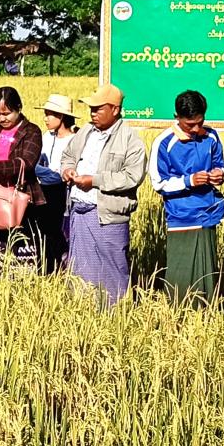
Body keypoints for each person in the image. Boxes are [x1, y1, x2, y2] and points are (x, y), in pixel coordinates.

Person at [60, 83, 146, 304]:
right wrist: (67, 170)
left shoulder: (130, 139)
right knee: (80, 268)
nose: (92, 113)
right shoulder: (86, 131)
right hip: (79, 211)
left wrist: (95, 180)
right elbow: (68, 156)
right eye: (91, 109)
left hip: (107, 215)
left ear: (115, 109)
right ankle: (83, 311)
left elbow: (132, 176)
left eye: (98, 109)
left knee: (111, 269)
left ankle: (115, 314)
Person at [149, 90, 224, 302]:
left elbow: (220, 164)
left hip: (209, 214)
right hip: (181, 217)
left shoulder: (211, 136)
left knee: (207, 273)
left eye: (200, 123)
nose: (195, 129)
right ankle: (179, 314)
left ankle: (207, 313)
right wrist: (189, 181)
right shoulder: (164, 142)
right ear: (177, 117)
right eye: (189, 124)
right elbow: (158, 182)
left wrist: (219, 174)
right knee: (181, 275)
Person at [0, 85, 44, 263]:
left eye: (7, 113)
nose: (2, 118)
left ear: (19, 108)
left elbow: (27, 162)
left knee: (21, 255)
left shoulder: (32, 131)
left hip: (20, 200)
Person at [31, 94, 76, 271]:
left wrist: (44, 171)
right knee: (44, 233)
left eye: (49, 114)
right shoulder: (46, 137)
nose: (46, 119)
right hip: (43, 190)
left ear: (61, 116)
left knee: (59, 231)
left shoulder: (74, 140)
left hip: (62, 192)